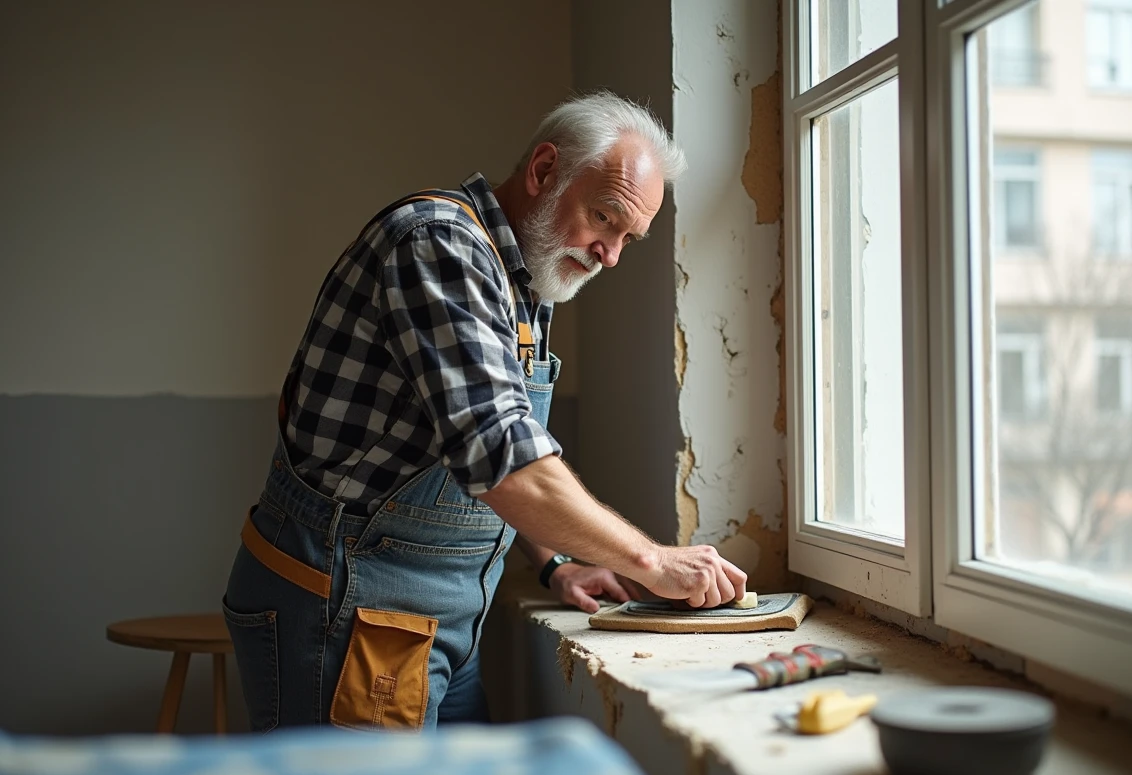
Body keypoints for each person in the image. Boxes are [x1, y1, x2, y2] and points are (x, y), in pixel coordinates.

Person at [222, 91, 748, 732]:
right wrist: (653, 561)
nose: (610, 254)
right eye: (605, 217)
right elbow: (503, 459)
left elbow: (471, 447)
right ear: (544, 170)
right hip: (347, 612)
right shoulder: (439, 245)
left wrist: (554, 559)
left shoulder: (524, 276)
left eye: (627, 239)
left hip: (437, 621)